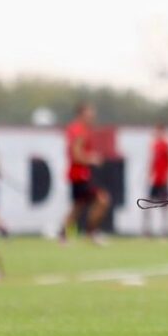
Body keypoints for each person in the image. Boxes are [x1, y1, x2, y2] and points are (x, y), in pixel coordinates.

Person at [60, 102, 110, 245]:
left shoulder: (81, 129)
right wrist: (92, 159)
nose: (93, 116)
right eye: (90, 112)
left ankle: (64, 235)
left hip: (80, 173)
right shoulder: (78, 130)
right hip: (80, 174)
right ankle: (91, 232)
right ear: (81, 114)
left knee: (78, 207)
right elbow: (76, 155)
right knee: (102, 200)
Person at [143, 123, 168, 239]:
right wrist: (149, 174)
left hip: (163, 180)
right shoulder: (154, 145)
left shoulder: (166, 145)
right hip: (155, 181)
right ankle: (147, 232)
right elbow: (153, 161)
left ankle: (165, 232)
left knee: (165, 206)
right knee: (147, 205)